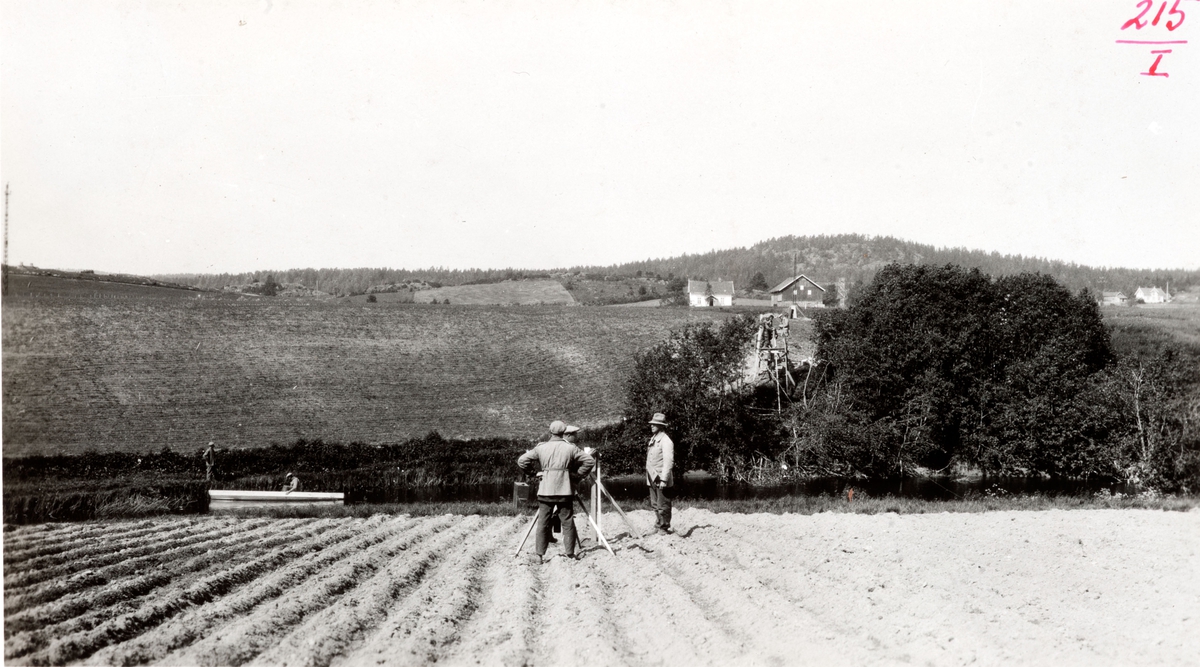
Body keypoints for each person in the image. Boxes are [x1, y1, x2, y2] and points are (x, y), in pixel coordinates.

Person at [517, 420, 595, 561]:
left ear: (550, 432)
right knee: (567, 521)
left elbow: (522, 461)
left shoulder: (541, 447)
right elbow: (589, 461)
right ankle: (570, 553)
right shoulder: (570, 448)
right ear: (563, 432)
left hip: (546, 490)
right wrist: (577, 476)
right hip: (565, 490)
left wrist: (534, 474)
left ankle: (540, 555)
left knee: (543, 522)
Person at [645, 412, 675, 535]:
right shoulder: (653, 439)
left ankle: (664, 527)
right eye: (651, 424)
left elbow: (668, 462)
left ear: (661, 426)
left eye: (655, 424)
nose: (652, 426)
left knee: (663, 504)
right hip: (652, 476)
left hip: (661, 478)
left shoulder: (666, 441)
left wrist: (664, 480)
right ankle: (658, 525)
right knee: (655, 504)